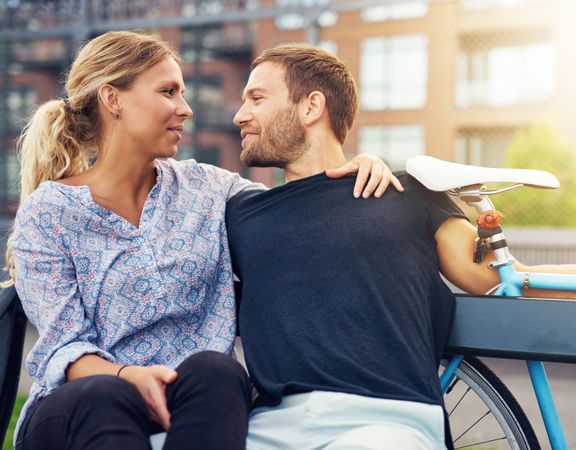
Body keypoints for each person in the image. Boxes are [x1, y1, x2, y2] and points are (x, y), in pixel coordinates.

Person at [225, 44, 576, 450]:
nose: (238, 115)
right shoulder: (241, 214)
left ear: (311, 107)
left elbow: (510, 283)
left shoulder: (408, 194)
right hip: (269, 427)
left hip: (383, 424)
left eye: (256, 98)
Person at [4, 31, 400, 450]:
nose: (186, 109)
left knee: (219, 369)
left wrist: (355, 166)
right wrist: (128, 375)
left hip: (192, 399)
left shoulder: (208, 189)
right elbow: (62, 348)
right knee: (107, 394)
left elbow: (294, 216)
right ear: (112, 99)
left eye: (183, 93)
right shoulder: (48, 212)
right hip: (79, 404)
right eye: (168, 91)